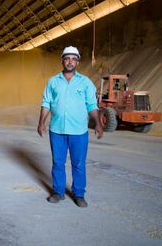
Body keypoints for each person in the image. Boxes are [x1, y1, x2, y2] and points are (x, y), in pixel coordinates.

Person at [37, 46, 103, 208]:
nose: (70, 62)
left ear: (78, 62)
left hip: (78, 131)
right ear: (62, 60)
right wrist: (41, 122)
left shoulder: (85, 82)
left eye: (74, 59)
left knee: (78, 163)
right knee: (58, 162)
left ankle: (79, 194)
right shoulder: (53, 81)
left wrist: (98, 123)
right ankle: (58, 192)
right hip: (57, 130)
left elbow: (91, 105)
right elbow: (46, 103)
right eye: (67, 58)